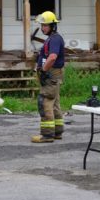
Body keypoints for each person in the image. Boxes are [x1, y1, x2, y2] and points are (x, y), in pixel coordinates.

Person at [32, 11, 66, 143]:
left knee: (45, 101)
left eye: (45, 25)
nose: (42, 28)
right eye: (42, 25)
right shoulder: (52, 38)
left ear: (52, 25)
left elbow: (52, 57)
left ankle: (47, 134)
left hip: (51, 74)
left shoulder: (55, 39)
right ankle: (57, 132)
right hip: (53, 74)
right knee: (55, 103)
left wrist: (44, 70)